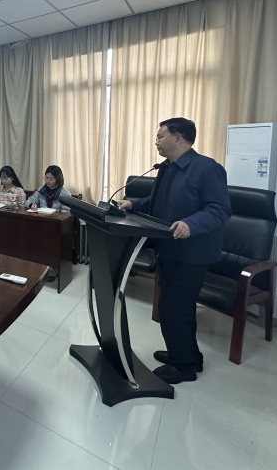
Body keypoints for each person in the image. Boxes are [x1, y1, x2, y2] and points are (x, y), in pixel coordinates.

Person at [118, 117, 231, 385]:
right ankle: (188, 355)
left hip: (192, 253)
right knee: (177, 307)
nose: (156, 141)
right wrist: (134, 204)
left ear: (178, 138)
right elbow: (157, 202)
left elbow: (220, 209)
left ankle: (184, 367)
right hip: (168, 249)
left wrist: (191, 224)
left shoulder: (207, 168)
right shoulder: (167, 168)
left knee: (173, 308)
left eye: (160, 136)